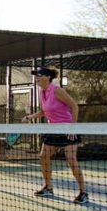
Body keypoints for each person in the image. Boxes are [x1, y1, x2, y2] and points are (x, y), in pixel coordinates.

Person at [21, 66, 88, 204]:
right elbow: (44, 111)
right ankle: (48, 187)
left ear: (47, 77)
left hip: (67, 129)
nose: (37, 78)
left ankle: (83, 192)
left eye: (39, 75)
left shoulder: (57, 90)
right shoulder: (42, 92)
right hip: (53, 130)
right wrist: (29, 117)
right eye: (36, 76)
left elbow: (74, 106)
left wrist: (72, 128)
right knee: (43, 156)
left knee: (71, 160)